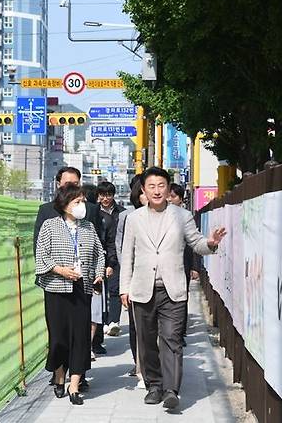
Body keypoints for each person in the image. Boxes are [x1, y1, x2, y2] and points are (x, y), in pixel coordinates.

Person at [120, 167, 227, 409]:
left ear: (168, 189)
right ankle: (154, 385)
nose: (157, 190)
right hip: (142, 289)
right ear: (144, 190)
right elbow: (128, 255)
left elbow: (197, 242)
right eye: (152, 186)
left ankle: (171, 389)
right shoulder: (134, 219)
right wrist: (123, 288)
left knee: (172, 338)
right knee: (146, 342)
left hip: (173, 289)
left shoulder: (182, 215)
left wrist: (211, 243)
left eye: (161, 185)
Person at [32, 167, 104, 389]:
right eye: (68, 185)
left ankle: (77, 380)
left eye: (77, 185)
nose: (80, 204)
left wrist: (99, 273)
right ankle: (59, 374)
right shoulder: (48, 218)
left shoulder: (89, 219)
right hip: (56, 285)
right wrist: (59, 269)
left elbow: (98, 250)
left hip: (82, 286)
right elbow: (40, 250)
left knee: (80, 335)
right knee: (59, 336)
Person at [116, 176, 148, 385]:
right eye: (145, 191)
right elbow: (121, 248)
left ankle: (151, 366)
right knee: (137, 325)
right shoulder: (128, 217)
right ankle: (140, 365)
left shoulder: (170, 215)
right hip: (136, 278)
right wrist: (126, 280)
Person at [169, 183, 203, 346]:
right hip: (165, 264)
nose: (169, 199)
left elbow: (194, 243)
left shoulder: (185, 216)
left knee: (181, 297)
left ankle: (179, 332)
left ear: (181, 199)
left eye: (173, 196)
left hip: (184, 262)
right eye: (168, 195)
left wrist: (195, 267)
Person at [97, 181, 125, 337]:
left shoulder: (121, 213)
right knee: (99, 290)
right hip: (99, 255)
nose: (105, 198)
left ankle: (114, 322)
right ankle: (103, 322)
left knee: (115, 289)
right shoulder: (94, 212)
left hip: (117, 255)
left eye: (108, 194)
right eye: (102, 195)